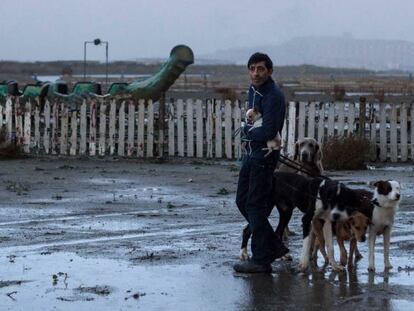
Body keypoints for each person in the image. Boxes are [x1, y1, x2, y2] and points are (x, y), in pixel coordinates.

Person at [233, 52, 288, 273]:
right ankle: (273, 246)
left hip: (264, 157)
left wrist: (246, 131)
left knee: (255, 205)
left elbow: (268, 130)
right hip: (252, 154)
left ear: (269, 71)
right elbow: (254, 119)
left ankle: (261, 259)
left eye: (261, 69)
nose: (256, 73)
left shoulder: (273, 95)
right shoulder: (253, 91)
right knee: (242, 201)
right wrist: (250, 132)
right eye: (252, 68)